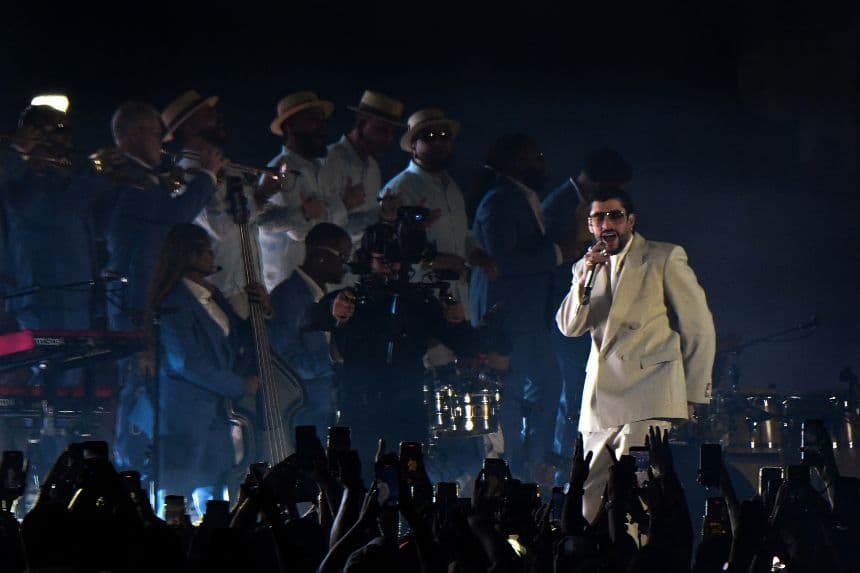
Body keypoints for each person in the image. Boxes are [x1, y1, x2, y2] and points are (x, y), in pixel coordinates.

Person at [555, 186, 715, 522]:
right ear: (590, 225)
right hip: (601, 397)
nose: (607, 223)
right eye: (599, 217)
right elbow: (570, 328)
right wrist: (584, 277)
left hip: (649, 391)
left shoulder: (664, 257)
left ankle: (636, 556)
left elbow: (697, 327)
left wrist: (693, 392)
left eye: (615, 215)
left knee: (636, 487)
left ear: (630, 221)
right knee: (589, 490)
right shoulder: (584, 269)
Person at [302, 221, 490, 474]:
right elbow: (308, 320)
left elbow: (466, 345)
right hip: (359, 411)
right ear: (368, 260)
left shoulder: (420, 303)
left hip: (406, 411)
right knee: (357, 485)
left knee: (406, 486)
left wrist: (458, 320)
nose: (390, 269)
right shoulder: (351, 300)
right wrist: (331, 310)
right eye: (382, 261)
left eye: (396, 261)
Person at [468, 133, 573, 485]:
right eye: (535, 156)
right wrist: (559, 253)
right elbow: (502, 260)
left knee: (546, 383)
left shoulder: (521, 197)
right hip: (508, 318)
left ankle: (535, 461)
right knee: (510, 394)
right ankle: (512, 471)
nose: (543, 163)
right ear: (514, 162)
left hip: (530, 317)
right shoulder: (499, 201)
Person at [146, 223, 266, 516]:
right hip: (183, 413)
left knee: (214, 486)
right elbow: (185, 361)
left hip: (215, 411)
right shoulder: (174, 302)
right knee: (176, 491)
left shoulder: (213, 297)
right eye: (205, 250)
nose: (212, 256)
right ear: (190, 255)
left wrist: (261, 308)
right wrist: (238, 385)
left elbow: (238, 339)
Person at [541, 148, 633, 470]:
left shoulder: (574, 203)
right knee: (572, 388)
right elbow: (551, 258)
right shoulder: (561, 205)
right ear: (596, 180)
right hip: (564, 308)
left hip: (584, 310)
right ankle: (568, 460)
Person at [380, 109, 495, 323]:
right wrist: (435, 262)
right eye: (430, 137)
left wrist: (476, 255)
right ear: (413, 147)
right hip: (418, 298)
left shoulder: (450, 186)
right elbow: (386, 249)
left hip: (455, 295)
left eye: (445, 136)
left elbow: (460, 235)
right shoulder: (401, 189)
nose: (440, 143)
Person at [161, 89, 268, 318]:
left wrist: (261, 198)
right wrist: (259, 197)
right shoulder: (186, 174)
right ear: (189, 127)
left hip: (248, 282)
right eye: (208, 115)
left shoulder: (225, 167)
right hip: (223, 289)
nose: (218, 117)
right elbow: (220, 228)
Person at [257, 91, 347, 290]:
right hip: (288, 281)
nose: (322, 128)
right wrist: (308, 213)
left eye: (323, 121)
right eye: (313, 121)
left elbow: (332, 223)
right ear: (290, 126)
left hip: (314, 282)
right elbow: (296, 230)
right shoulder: (278, 170)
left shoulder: (319, 168)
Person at [268, 222, 353, 433]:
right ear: (320, 256)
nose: (346, 266)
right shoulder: (289, 296)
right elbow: (286, 360)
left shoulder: (322, 296)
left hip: (323, 405)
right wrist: (331, 361)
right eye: (342, 257)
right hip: (303, 407)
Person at [324, 90, 405, 245]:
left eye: (391, 132)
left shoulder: (373, 168)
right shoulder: (331, 160)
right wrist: (344, 204)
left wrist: (384, 213)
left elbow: (363, 225)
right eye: (381, 129)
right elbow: (320, 226)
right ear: (361, 123)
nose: (388, 138)